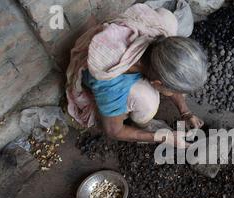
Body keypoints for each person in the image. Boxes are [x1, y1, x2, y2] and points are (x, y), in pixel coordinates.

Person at [66, 4, 207, 149]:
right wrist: (164, 137)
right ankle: (141, 122)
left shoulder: (161, 44)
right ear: (157, 83)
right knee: (147, 102)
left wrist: (186, 113)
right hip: (95, 67)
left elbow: (172, 69)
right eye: (174, 90)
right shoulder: (111, 83)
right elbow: (114, 131)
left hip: (116, 49)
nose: (177, 95)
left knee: (169, 18)